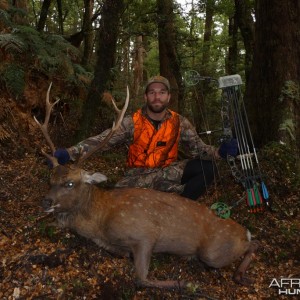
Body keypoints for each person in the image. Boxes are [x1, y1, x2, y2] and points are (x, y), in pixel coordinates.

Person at [53, 75, 238, 200]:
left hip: (168, 171)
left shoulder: (179, 122)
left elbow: (199, 149)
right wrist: (69, 153)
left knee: (207, 167)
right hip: (137, 176)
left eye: (162, 92)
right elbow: (102, 141)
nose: (157, 97)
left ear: (168, 97)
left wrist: (220, 151)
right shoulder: (131, 122)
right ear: (146, 96)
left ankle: (182, 204)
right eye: (152, 92)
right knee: (114, 203)